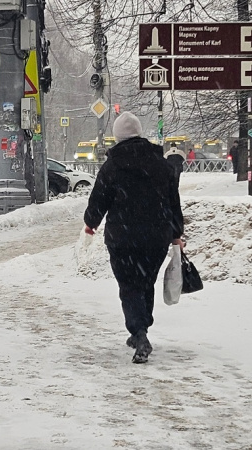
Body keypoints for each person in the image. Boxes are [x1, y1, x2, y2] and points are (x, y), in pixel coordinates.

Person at [84, 111, 184, 364]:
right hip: (156, 238)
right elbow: (173, 201)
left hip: (123, 238)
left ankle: (138, 332)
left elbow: (99, 200)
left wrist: (90, 224)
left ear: (117, 137)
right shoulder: (162, 164)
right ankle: (142, 328)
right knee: (145, 282)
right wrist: (176, 233)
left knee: (129, 286)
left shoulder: (113, 166)